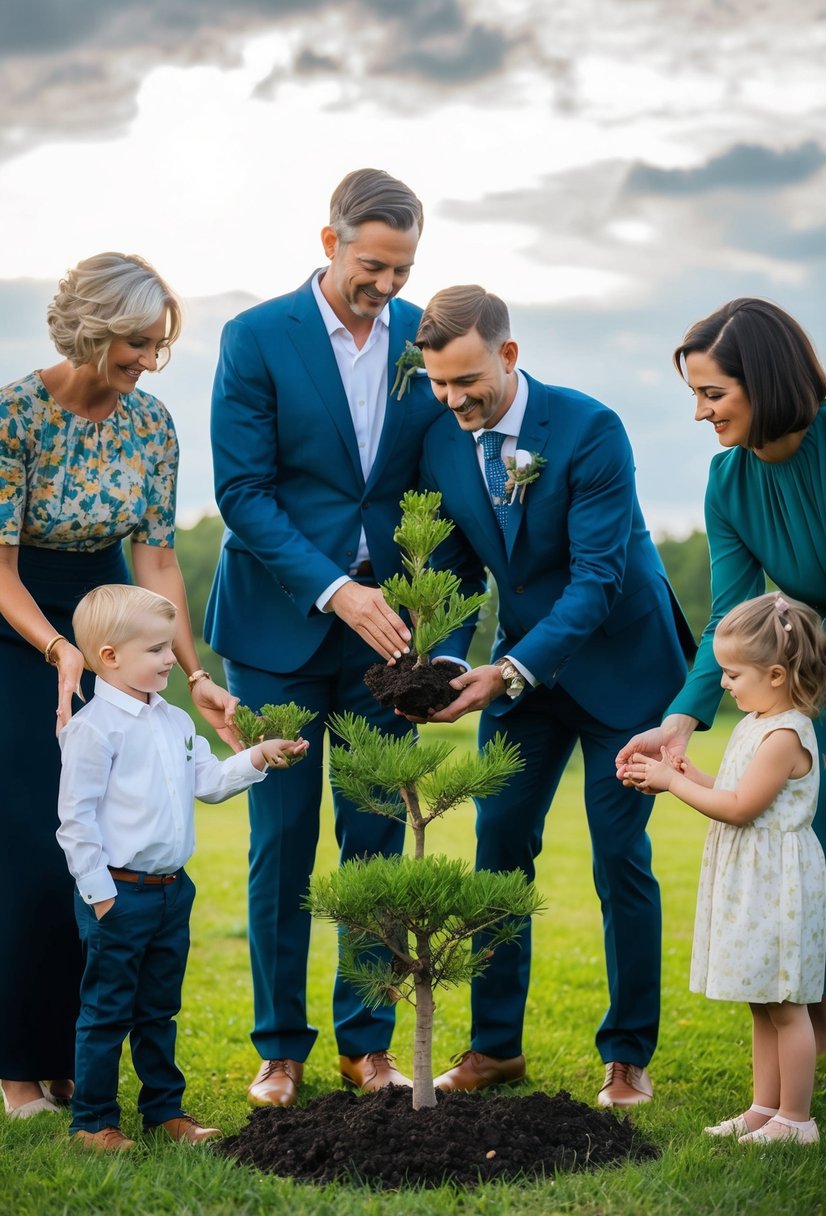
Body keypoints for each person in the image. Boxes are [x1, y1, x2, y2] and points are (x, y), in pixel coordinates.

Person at [410, 285, 695, 1106]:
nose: (455, 400)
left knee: (617, 859)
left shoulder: (589, 428)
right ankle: (494, 1048)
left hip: (621, 670)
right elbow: (462, 566)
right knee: (496, 842)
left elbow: (598, 579)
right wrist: (445, 661)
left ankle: (626, 1055)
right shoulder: (441, 440)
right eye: (438, 384)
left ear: (508, 354)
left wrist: (508, 669)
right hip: (523, 677)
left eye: (468, 381)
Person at [206, 168, 443, 1106]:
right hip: (276, 628)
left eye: (402, 268)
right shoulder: (255, 337)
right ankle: (279, 1049)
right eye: (372, 266)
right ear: (329, 240)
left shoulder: (423, 335)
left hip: (388, 638)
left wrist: (429, 617)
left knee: (377, 838)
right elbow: (242, 494)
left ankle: (367, 1046)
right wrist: (334, 589)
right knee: (281, 841)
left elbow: (439, 479)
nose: (385, 286)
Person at [0, 253, 238, 1121]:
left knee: (112, 829)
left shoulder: (151, 425)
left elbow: (160, 560)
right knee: (38, 845)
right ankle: (19, 1073)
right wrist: (60, 649)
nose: (148, 358)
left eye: (157, 344)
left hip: (115, 620)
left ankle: (73, 1062)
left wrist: (192, 673)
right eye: (136, 342)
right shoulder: (14, 416)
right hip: (20, 626)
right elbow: (0, 567)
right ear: (92, 331)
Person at [614, 297, 826, 1042]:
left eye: (713, 394)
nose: (701, 414)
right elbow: (729, 621)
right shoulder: (727, 480)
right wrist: (677, 723)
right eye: (694, 395)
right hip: (812, 693)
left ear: (764, 381)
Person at [56, 584, 308, 1152]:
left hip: (172, 893)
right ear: (110, 657)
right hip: (118, 893)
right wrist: (99, 895)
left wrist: (258, 756)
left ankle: (164, 1111)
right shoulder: (94, 730)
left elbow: (209, 784)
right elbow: (76, 821)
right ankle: (93, 1122)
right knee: (106, 1012)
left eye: (170, 647)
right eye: (157, 650)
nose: (173, 659)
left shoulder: (173, 721)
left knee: (159, 1010)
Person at [626, 593, 826, 1145]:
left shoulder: (784, 734)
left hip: (779, 887)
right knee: (763, 1003)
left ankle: (797, 1119)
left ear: (777, 674)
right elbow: (739, 791)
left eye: (733, 673)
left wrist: (673, 784)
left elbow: (742, 809)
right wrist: (693, 772)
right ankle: (765, 1109)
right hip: (756, 880)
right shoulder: (760, 720)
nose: (724, 684)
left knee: (788, 1006)